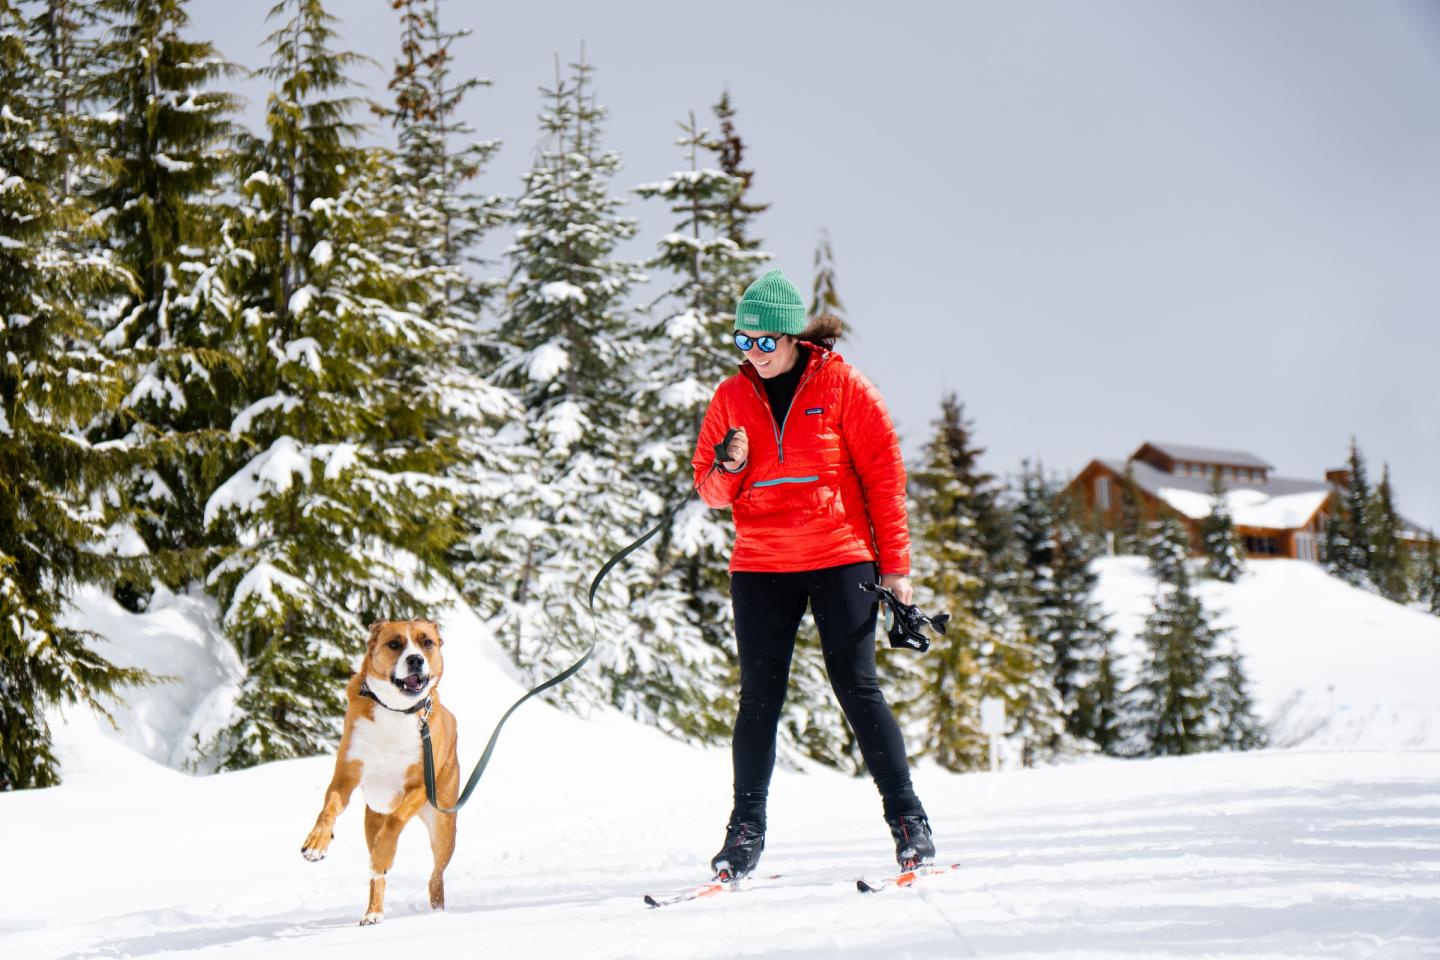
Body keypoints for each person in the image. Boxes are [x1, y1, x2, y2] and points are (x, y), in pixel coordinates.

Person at [690, 268, 934, 880]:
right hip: (762, 564)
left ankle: (909, 822)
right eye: (743, 341)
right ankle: (744, 836)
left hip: (839, 554)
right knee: (758, 700)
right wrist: (730, 465)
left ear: (793, 337)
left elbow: (885, 479)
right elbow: (711, 492)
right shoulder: (730, 397)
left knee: (858, 687)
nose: (754, 353)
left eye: (765, 341)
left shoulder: (845, 386)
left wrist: (897, 568)